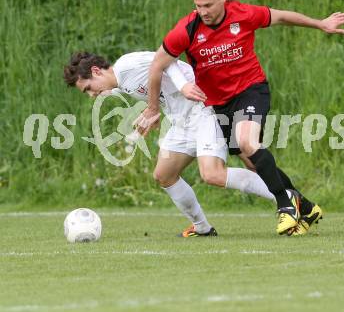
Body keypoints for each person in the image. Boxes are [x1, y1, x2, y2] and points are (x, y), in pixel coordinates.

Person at [138, 0, 344, 236]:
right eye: (198, 6)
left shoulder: (244, 14)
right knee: (253, 162)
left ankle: (286, 206)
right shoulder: (187, 29)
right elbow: (157, 66)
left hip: (251, 90)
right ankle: (306, 207)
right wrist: (152, 108)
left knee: (248, 143)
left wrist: (321, 24)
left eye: (208, 5)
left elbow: (283, 17)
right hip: (218, 105)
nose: (202, 12)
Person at [63, 51, 279, 238]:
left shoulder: (128, 64)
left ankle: (285, 198)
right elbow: (153, 93)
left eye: (89, 88)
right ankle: (202, 227)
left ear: (96, 71)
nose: (92, 95)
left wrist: (184, 85)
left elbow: (167, 59)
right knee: (164, 174)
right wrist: (153, 111)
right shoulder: (121, 84)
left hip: (202, 110)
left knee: (213, 174)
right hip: (181, 122)